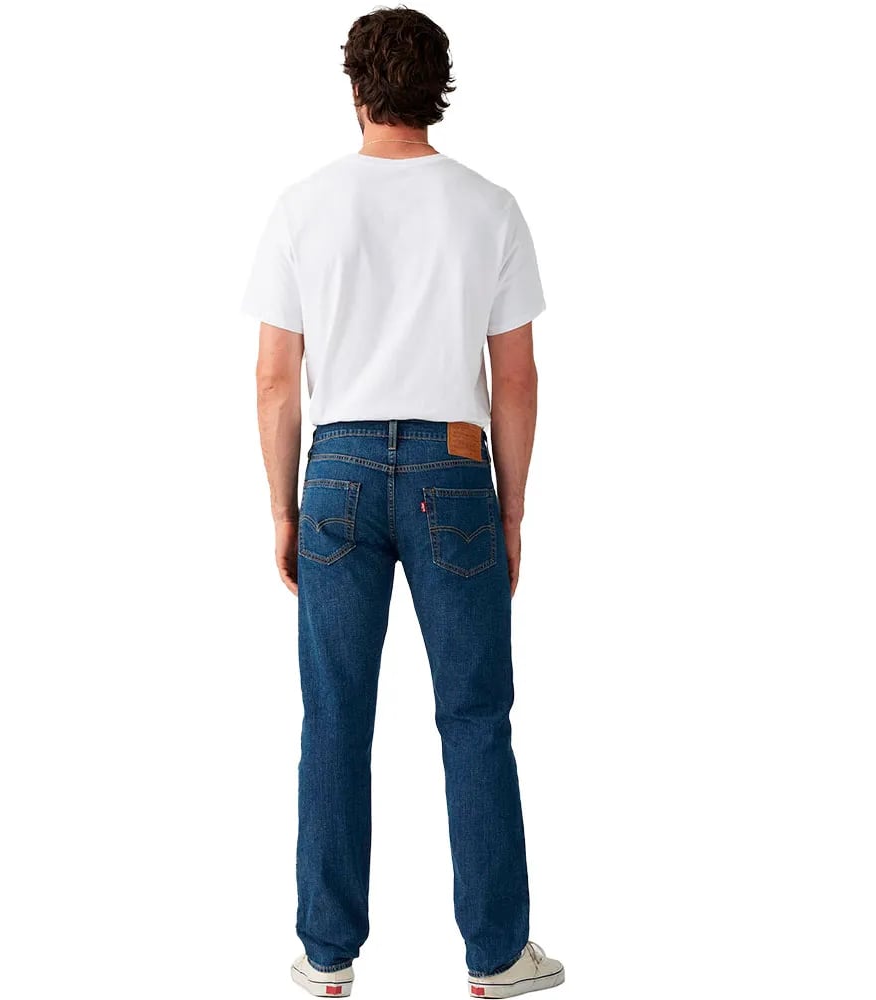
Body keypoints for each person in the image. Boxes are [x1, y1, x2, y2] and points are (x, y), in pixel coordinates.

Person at [242, 7, 563, 997]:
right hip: (453, 472)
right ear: (439, 89)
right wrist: (510, 509)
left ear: (355, 87)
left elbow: (275, 378)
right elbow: (515, 379)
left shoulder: (303, 206)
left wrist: (284, 507)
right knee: (475, 716)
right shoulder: (489, 207)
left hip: (334, 468)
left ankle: (326, 955)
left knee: (333, 718)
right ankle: (496, 958)